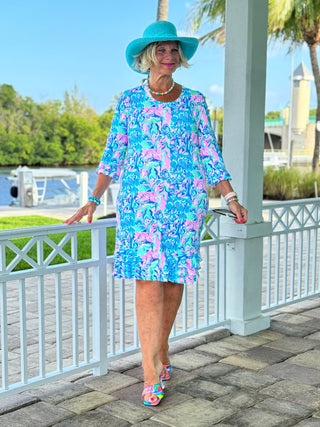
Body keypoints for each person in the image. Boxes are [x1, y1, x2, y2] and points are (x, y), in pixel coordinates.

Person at [65, 20, 248, 406]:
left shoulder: (196, 100)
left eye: (174, 50)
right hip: (141, 204)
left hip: (185, 203)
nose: (169, 56)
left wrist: (231, 197)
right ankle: (150, 371)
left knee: (173, 281)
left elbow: (209, 154)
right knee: (147, 283)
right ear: (148, 57)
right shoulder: (130, 101)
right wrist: (94, 199)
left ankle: (161, 349)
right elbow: (113, 154)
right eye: (161, 50)